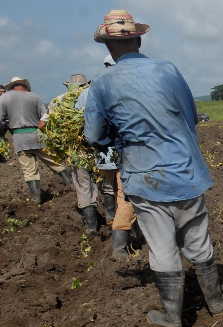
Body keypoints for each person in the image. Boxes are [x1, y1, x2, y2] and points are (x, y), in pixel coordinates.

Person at [84, 9, 223, 327]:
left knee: (162, 247)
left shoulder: (103, 84)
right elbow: (189, 115)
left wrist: (116, 135)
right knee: (197, 239)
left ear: (108, 47)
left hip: (145, 176)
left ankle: (172, 318)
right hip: (186, 170)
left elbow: (94, 135)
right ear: (137, 39)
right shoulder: (168, 70)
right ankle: (216, 302)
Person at [80, 56, 138, 259]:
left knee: (115, 189)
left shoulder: (95, 89)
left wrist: (101, 141)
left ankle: (116, 230)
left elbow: (91, 131)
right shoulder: (136, 84)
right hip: (139, 150)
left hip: (112, 150)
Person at [47, 73, 111, 235]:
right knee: (106, 183)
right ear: (87, 84)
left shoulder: (59, 101)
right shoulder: (94, 96)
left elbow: (45, 125)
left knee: (83, 187)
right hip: (98, 148)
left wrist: (60, 146)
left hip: (76, 151)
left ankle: (91, 226)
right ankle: (112, 218)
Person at [0, 77, 72, 204]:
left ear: (11, 86)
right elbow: (45, 116)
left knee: (29, 170)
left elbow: (1, 119)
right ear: (25, 85)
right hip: (37, 135)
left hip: (19, 137)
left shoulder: (4, 98)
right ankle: (72, 187)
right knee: (55, 162)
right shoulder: (35, 96)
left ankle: (37, 199)